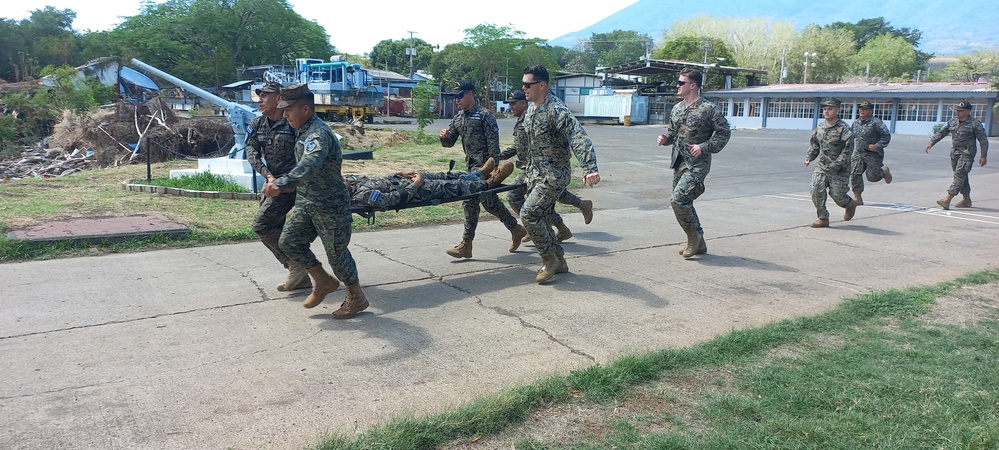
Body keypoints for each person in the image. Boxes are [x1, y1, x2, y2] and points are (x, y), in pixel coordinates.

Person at [261, 84, 369, 320]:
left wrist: (281, 183)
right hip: (307, 203)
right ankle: (322, 280)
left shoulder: (317, 134)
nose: (285, 114)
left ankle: (356, 297)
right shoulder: (301, 129)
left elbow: (310, 164)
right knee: (289, 242)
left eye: (288, 109)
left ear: (306, 109)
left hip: (330, 205)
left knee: (337, 255)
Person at [520, 65, 600, 283]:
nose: (524, 89)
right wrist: (528, 170)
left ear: (542, 85)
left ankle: (549, 258)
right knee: (543, 217)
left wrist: (590, 167)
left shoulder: (557, 110)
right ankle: (560, 261)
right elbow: (533, 145)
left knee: (528, 214)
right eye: (523, 84)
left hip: (554, 176)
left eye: (528, 85)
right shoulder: (532, 110)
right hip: (537, 175)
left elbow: (578, 136)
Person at [439, 80, 527, 259]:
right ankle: (516, 229)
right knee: (490, 203)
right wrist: (444, 137)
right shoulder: (458, 118)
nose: (457, 100)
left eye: (459, 95)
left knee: (470, 202)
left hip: (485, 167)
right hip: (471, 168)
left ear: (470, 94)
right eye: (455, 96)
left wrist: (493, 166)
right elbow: (449, 144)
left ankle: (466, 245)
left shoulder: (485, 115)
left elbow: (493, 142)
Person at [499, 90, 594, 244]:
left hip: (540, 169)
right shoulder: (526, 118)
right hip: (531, 168)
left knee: (519, 197)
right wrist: (500, 155)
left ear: (523, 103)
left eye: (513, 103)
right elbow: (520, 146)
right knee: (550, 199)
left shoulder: (540, 115)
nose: (511, 107)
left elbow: (575, 137)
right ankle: (569, 219)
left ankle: (537, 229)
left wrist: (589, 167)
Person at [656, 67, 731, 257]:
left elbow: (724, 132)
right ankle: (699, 240)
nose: (677, 85)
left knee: (678, 200)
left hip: (697, 165)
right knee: (683, 202)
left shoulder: (708, 109)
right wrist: (665, 140)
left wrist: (704, 146)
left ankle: (693, 238)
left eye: (681, 83)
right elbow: (673, 134)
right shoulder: (677, 108)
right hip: (679, 163)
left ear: (692, 85)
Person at [245, 81, 311, 292]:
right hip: (274, 184)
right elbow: (251, 151)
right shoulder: (258, 123)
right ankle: (297, 268)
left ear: (278, 98)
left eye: (265, 95)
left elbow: (307, 157)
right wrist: (267, 175)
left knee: (262, 224)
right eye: (260, 95)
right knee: (269, 228)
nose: (260, 100)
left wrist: (289, 182)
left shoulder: (293, 122)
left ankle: (299, 266)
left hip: (296, 185)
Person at [345, 159, 515, 208]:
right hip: (413, 191)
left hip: (402, 181)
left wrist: (398, 173)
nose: (345, 179)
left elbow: (377, 180)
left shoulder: (353, 181)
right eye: (342, 181)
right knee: (450, 186)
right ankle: (489, 183)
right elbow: (393, 199)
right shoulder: (362, 196)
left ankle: (479, 173)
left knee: (443, 175)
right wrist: (415, 185)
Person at [804, 98, 859, 228]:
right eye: (825, 109)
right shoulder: (821, 127)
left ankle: (850, 204)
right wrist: (809, 157)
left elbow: (847, 151)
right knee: (816, 189)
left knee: (838, 196)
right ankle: (823, 218)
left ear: (837, 110)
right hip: (822, 166)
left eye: (830, 109)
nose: (826, 111)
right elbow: (815, 144)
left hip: (839, 169)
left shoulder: (844, 129)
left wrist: (836, 165)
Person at [924, 101, 989, 209]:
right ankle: (966, 200)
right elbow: (941, 133)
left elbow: (983, 140)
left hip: (967, 153)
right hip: (955, 153)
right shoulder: (952, 121)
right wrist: (931, 143)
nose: (958, 112)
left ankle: (947, 199)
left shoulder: (975, 124)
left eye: (960, 111)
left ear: (968, 111)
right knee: (961, 176)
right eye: (957, 110)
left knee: (959, 175)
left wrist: (983, 156)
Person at [849, 100, 893, 205]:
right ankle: (858, 198)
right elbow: (851, 137)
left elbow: (886, 136)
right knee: (855, 174)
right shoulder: (855, 123)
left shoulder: (877, 123)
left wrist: (877, 146)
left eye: (865, 109)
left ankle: (884, 172)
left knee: (872, 177)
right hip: (858, 153)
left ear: (871, 111)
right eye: (861, 109)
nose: (862, 111)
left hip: (873, 154)